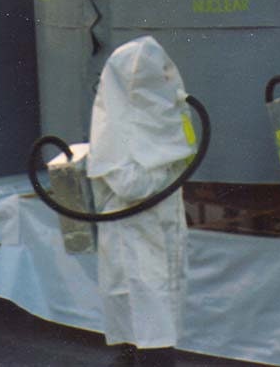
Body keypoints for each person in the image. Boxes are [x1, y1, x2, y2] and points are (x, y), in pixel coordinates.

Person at [86, 36, 195, 366]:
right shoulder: (112, 127)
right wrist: (167, 164)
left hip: (162, 232)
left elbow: (187, 156)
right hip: (133, 240)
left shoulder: (170, 116)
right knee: (143, 326)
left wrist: (167, 161)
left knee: (158, 324)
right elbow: (130, 185)